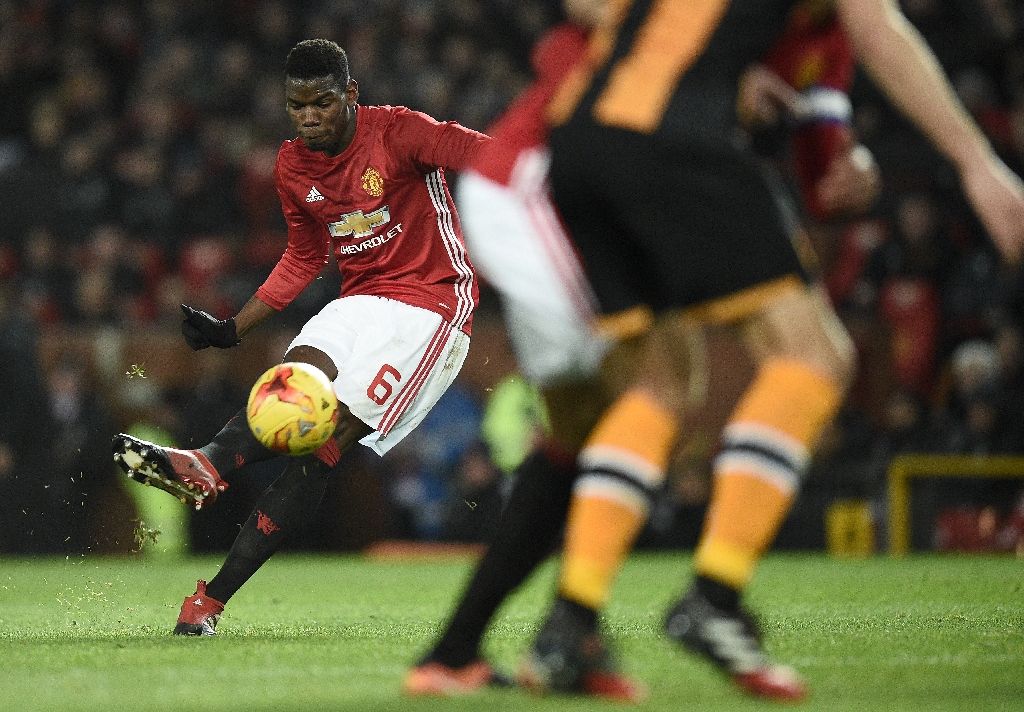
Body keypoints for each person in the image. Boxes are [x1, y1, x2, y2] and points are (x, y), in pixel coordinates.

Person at [520, 0, 1024, 703]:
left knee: (660, 386)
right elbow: (876, 26)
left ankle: (569, 625)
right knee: (816, 355)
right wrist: (977, 163)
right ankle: (715, 595)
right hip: (669, 137)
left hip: (574, 145)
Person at [404, 0, 880, 701]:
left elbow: (824, 145)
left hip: (614, 191)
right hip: (543, 181)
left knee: (596, 423)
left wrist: (855, 170)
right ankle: (587, 623)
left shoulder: (821, 38)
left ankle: (478, 650)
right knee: (659, 389)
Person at [111, 38, 488, 635]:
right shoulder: (291, 165)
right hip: (358, 300)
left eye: (322, 102)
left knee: (321, 445)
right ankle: (206, 463)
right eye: (297, 105)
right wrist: (234, 329)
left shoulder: (400, 132)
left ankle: (211, 598)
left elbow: (487, 156)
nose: (310, 116)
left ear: (351, 94)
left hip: (431, 304)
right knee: (288, 387)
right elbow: (304, 255)